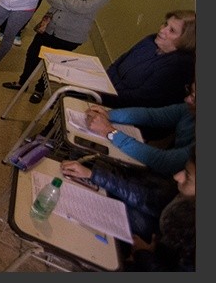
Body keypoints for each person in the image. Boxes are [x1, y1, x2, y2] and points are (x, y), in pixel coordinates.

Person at [2, 0, 123, 104]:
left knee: (54, 64)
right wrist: (70, 0)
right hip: (49, 25)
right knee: (33, 53)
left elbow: (85, 7)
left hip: (71, 33)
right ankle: (22, 81)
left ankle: (40, 88)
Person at [60, 149, 195, 272]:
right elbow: (144, 198)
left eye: (188, 177)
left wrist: (143, 254)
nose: (177, 176)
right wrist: (92, 174)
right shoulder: (183, 197)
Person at [81, 81, 195, 177]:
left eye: (194, 98)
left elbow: (165, 162)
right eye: (190, 91)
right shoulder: (189, 109)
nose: (187, 99)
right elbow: (151, 116)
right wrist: (109, 115)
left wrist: (109, 131)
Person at [98, 10, 196, 109]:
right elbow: (117, 64)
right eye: (165, 24)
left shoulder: (180, 65)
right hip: (104, 94)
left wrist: (102, 94)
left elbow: (141, 98)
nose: (162, 30)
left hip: (124, 110)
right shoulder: (150, 40)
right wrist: (100, 84)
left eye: (172, 30)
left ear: (185, 40)